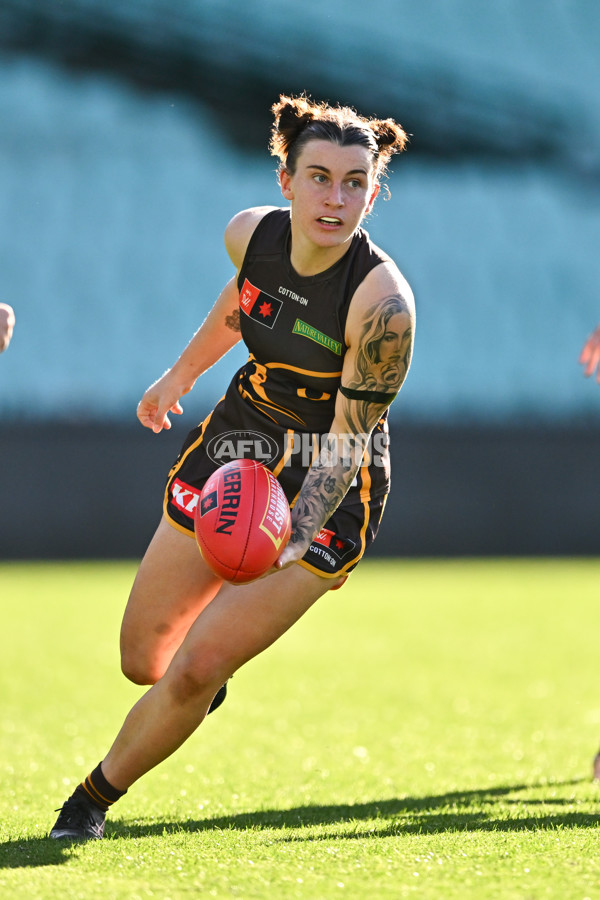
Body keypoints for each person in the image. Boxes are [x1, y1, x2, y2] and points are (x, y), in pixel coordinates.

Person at [49, 93, 415, 840]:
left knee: (194, 666)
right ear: (285, 179)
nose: (335, 198)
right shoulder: (249, 234)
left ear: (374, 194)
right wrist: (178, 375)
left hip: (329, 476)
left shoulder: (384, 307)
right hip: (240, 438)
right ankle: (197, 685)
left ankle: (88, 801)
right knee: (143, 659)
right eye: (318, 177)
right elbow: (243, 302)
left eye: (354, 183)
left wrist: (297, 527)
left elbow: (347, 442)